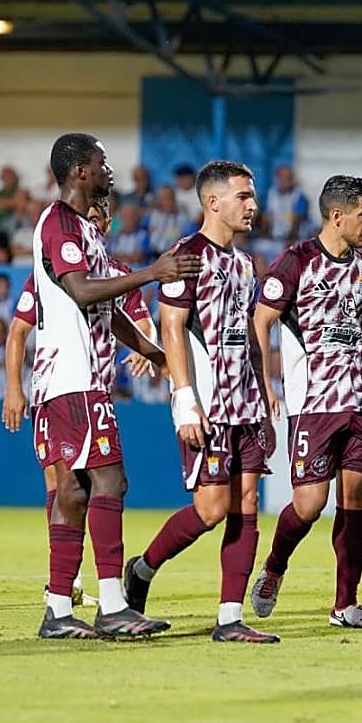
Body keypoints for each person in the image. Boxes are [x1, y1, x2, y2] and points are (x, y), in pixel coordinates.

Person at [26, 132, 199, 640]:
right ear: (80, 171)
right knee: (110, 482)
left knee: (75, 492)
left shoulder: (86, 229)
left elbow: (101, 305)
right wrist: (153, 272)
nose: (109, 171)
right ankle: (113, 604)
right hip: (72, 377)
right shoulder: (58, 223)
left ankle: (58, 611)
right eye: (102, 163)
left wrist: (149, 350)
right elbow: (79, 291)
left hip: (78, 378)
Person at [121, 161, 280, 643]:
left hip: (247, 401)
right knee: (211, 509)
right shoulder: (186, 255)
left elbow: (251, 335)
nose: (253, 206)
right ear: (213, 202)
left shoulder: (247, 263)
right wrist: (185, 399)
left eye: (253, 197)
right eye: (244, 197)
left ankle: (230, 618)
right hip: (206, 402)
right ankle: (143, 569)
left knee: (247, 502)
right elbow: (171, 326)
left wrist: (266, 392)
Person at [3, 195, 157, 610]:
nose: (91, 219)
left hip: (94, 388)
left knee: (80, 487)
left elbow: (138, 319)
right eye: (86, 214)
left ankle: (64, 593)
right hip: (62, 387)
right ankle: (83, 590)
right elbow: (18, 332)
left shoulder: (114, 272)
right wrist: (14, 388)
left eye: (97, 214)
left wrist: (150, 349)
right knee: (64, 483)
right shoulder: (47, 272)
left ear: (105, 223)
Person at [249, 174, 362, 630]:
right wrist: (266, 384)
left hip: (361, 404)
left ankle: (346, 604)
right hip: (314, 405)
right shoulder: (296, 262)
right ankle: (275, 564)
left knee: (356, 497)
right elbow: (260, 322)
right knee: (309, 504)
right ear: (337, 216)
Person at [265, 163, 309, 244]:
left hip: (295, 239)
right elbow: (267, 216)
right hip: (275, 238)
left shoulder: (299, 196)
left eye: (288, 178)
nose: (285, 181)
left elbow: (296, 221)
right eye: (282, 178)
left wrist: (288, 241)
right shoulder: (271, 194)